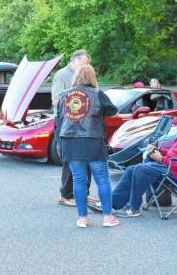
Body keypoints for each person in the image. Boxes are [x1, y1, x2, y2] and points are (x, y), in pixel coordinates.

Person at [108, 110, 177, 216]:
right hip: (170, 167)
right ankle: (112, 203)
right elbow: (172, 155)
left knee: (140, 169)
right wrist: (157, 150)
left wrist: (161, 159)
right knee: (130, 169)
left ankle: (133, 208)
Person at [56, 64, 119, 228]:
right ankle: (107, 217)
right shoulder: (97, 94)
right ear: (92, 76)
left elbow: (59, 121)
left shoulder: (63, 95)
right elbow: (113, 110)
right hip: (92, 141)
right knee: (102, 180)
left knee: (78, 180)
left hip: (69, 141)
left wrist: (59, 144)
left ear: (75, 76)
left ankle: (82, 218)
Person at [52, 50, 94, 207]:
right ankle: (66, 195)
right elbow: (56, 100)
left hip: (83, 125)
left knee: (86, 159)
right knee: (70, 160)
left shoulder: (85, 76)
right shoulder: (62, 75)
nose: (86, 67)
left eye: (87, 64)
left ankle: (84, 193)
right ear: (74, 61)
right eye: (83, 64)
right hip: (66, 124)